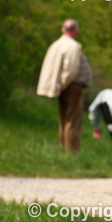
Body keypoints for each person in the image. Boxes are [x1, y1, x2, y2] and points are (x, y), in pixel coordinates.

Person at [37, 19, 93, 153]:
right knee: (73, 120)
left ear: (63, 30)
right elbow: (71, 69)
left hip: (62, 86)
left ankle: (62, 149)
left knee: (64, 118)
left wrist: (58, 85)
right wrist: (64, 84)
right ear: (76, 31)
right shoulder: (72, 46)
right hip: (71, 85)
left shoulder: (55, 45)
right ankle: (71, 152)